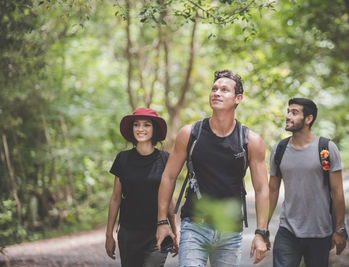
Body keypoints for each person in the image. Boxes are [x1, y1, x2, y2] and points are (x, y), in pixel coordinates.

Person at [156, 70, 270, 266]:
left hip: (231, 231)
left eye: (225, 90)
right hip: (194, 227)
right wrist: (162, 222)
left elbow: (261, 189)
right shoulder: (190, 134)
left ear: (238, 98)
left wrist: (261, 232)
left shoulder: (250, 141)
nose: (217, 93)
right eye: (214, 89)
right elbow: (168, 177)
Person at [269, 98, 347, 267]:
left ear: (308, 119)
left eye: (294, 113)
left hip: (320, 232)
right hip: (287, 231)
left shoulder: (326, 148)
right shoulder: (278, 150)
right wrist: (262, 229)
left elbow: (337, 191)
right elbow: (272, 191)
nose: (288, 116)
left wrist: (340, 229)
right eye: (288, 111)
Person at [105, 107, 178, 267]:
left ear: (154, 129)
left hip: (158, 232)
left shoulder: (165, 159)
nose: (140, 129)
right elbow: (116, 199)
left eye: (146, 125)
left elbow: (170, 199)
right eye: (136, 125)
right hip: (128, 233)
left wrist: (175, 231)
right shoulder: (122, 159)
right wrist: (109, 235)